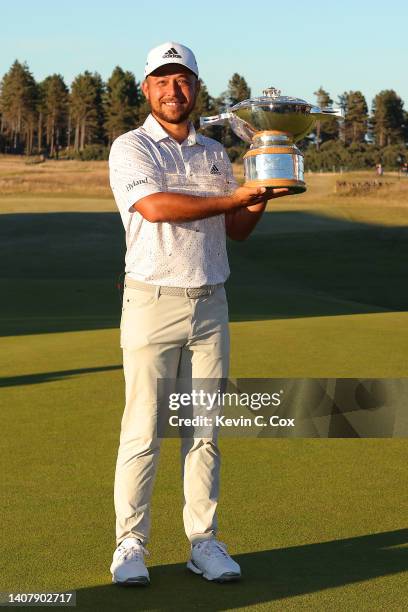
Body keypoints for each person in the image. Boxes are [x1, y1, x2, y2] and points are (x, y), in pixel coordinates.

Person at [108, 41, 289, 586]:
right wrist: (237, 199)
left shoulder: (214, 151)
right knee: (143, 429)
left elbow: (235, 230)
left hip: (211, 303)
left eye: (182, 79)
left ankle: (203, 542)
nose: (173, 89)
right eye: (162, 80)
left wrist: (260, 194)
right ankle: (130, 546)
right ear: (147, 88)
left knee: (203, 430)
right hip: (151, 302)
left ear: (195, 86)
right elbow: (156, 209)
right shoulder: (132, 146)